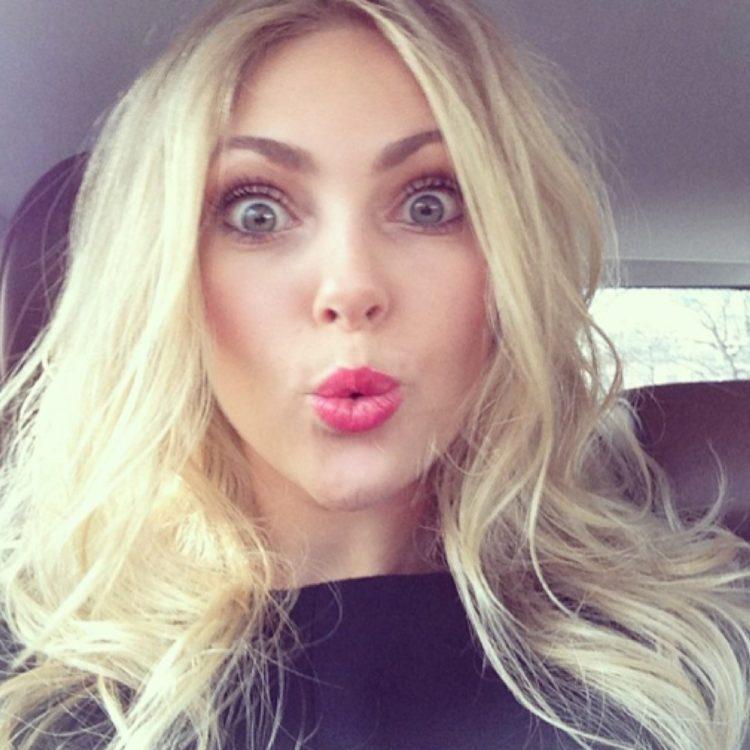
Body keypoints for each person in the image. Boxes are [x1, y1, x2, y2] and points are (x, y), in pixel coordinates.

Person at [0, 0, 748, 748]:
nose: (351, 288)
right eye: (256, 213)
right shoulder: (36, 701)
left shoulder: (697, 676)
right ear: (164, 277)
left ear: (507, 273)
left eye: (429, 205)